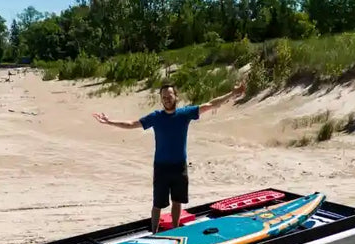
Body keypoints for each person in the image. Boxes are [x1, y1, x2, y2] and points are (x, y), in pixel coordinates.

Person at [93, 78, 246, 233]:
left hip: (179, 166)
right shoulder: (156, 117)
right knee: (158, 203)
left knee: (177, 201)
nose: (167, 99)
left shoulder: (184, 114)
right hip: (161, 167)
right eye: (164, 97)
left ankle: (175, 230)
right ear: (161, 99)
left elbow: (211, 104)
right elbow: (133, 124)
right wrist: (110, 122)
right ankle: (154, 231)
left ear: (176, 96)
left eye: (169, 96)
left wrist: (233, 93)